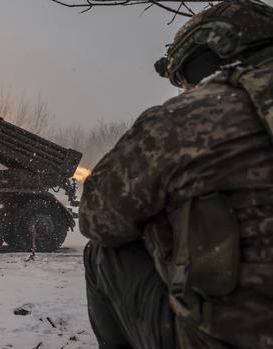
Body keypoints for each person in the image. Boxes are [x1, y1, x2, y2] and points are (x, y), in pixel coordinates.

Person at [79, 1, 273, 348]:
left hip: (226, 339)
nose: (184, 91)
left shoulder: (185, 121)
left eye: (184, 80)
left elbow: (97, 217)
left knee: (103, 253)